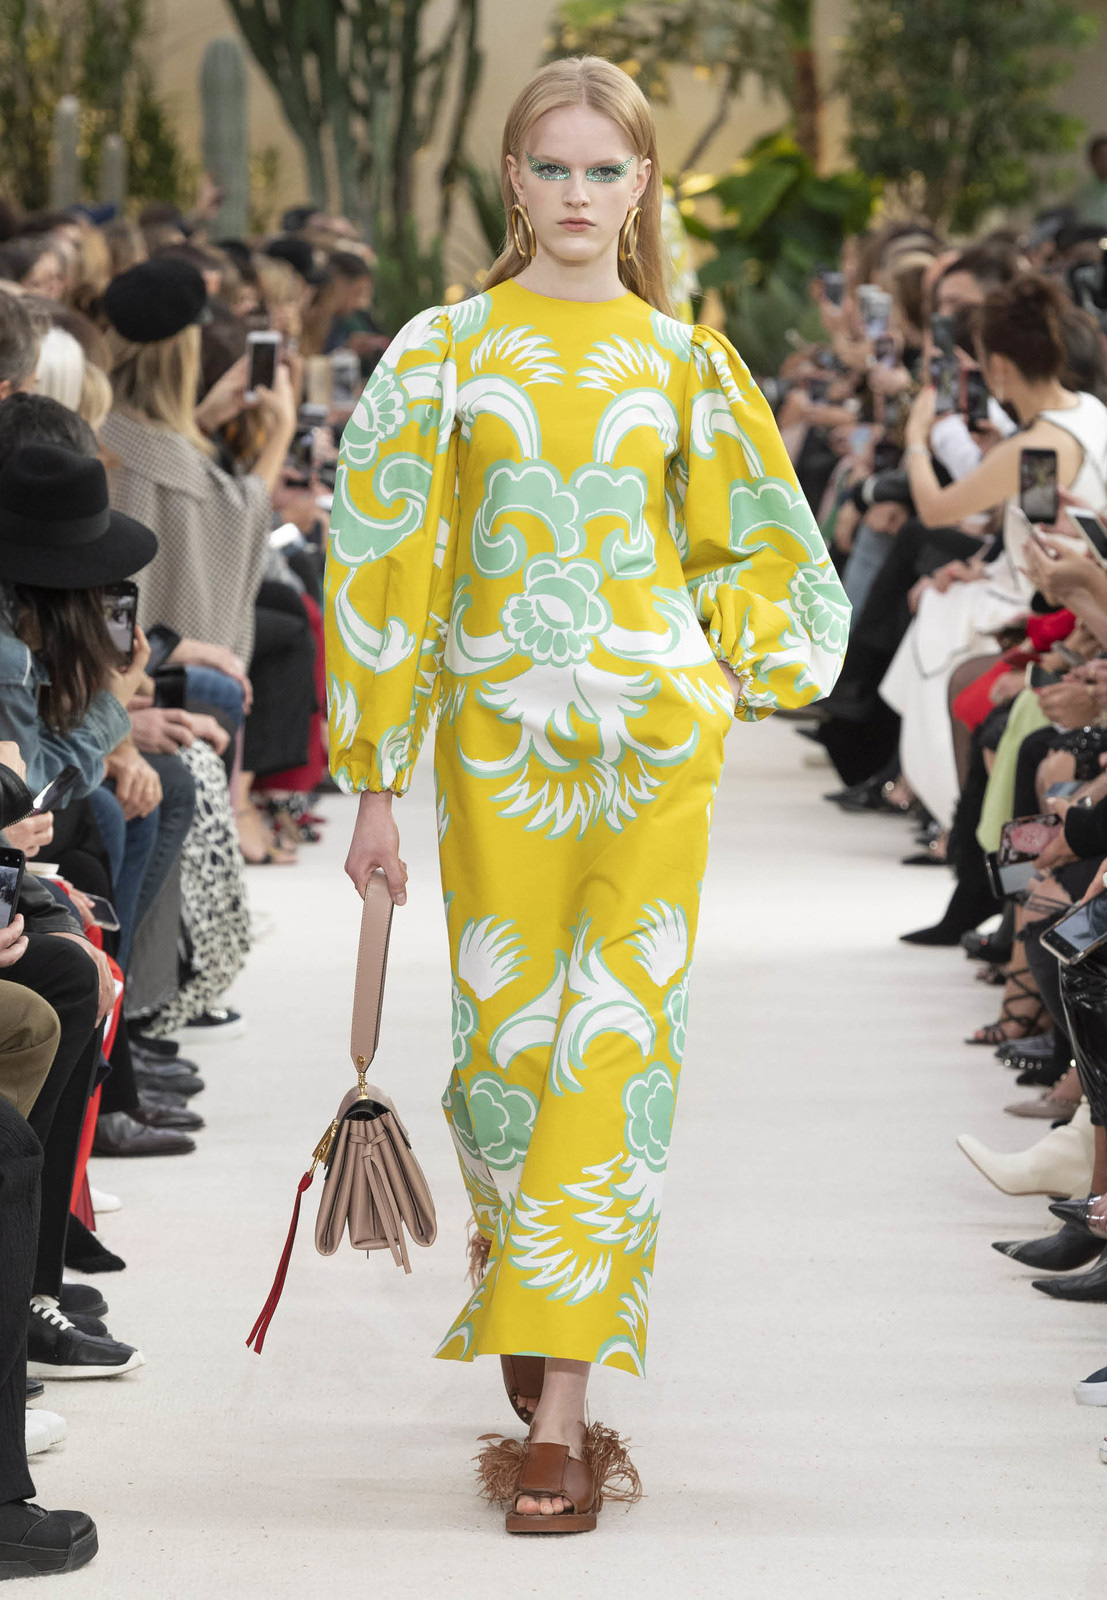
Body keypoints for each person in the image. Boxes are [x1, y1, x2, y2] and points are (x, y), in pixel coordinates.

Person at [325, 55, 848, 1533]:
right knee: (507, 1052)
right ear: (511, 180)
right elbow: (384, 571)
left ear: (641, 189)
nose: (575, 195)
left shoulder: (686, 360)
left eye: (602, 171)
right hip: (496, 761)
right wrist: (372, 781)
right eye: (550, 168)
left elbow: (770, 553)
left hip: (648, 761)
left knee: (614, 1056)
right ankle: (523, 1269)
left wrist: (718, 668)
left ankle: (561, 1415)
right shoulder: (442, 354)